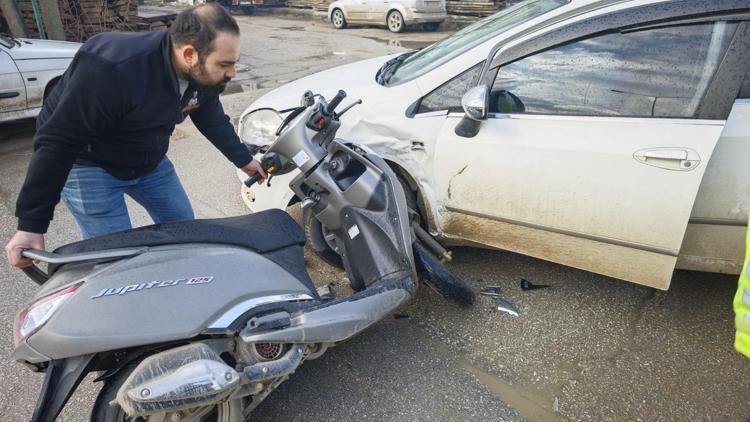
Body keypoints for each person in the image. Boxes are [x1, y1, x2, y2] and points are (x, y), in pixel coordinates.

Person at [4, 3, 265, 269]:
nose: (232, 73)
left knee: (185, 227)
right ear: (189, 54)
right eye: (225, 64)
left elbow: (210, 118)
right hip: (90, 164)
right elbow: (58, 142)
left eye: (234, 62)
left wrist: (243, 159)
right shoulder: (113, 68)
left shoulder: (203, 74)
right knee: (116, 257)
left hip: (148, 159)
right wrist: (31, 224)